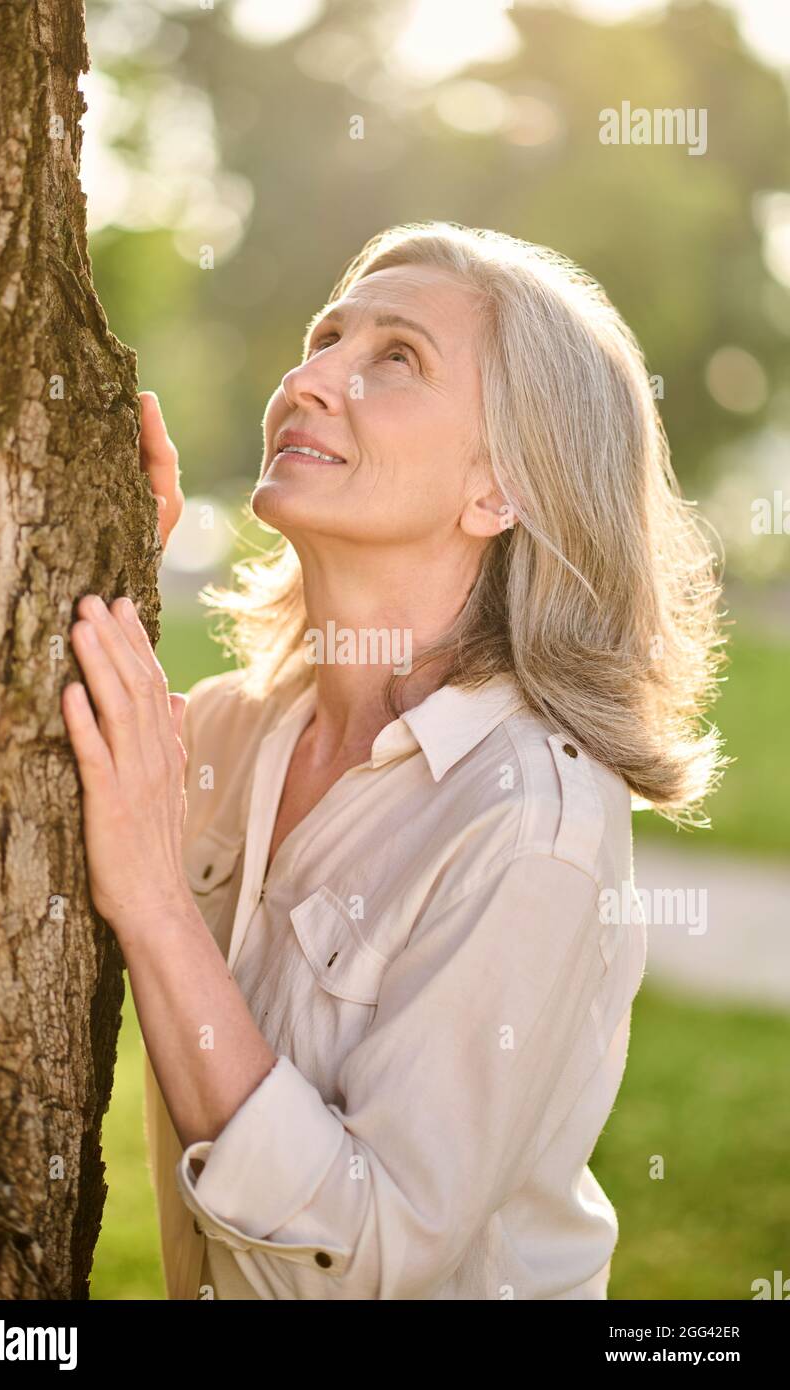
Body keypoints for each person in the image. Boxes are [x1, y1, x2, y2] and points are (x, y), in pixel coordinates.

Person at [64, 220, 728, 1300]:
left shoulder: (530, 823)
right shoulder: (236, 734)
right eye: (327, 338)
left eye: (395, 359)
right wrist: (96, 572)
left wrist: (155, 902)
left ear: (499, 489)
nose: (309, 377)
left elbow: (361, 1260)